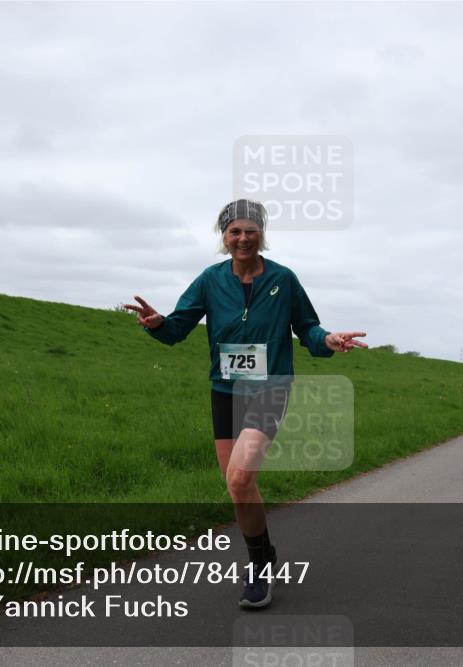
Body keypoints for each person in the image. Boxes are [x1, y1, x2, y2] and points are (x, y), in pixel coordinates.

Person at [125, 199, 367, 609]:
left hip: (270, 389)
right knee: (240, 489)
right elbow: (178, 328)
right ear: (224, 236)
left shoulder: (284, 279)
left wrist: (327, 340)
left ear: (262, 234)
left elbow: (307, 327)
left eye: (250, 230)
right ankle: (264, 556)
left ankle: (257, 570)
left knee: (239, 478)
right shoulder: (210, 280)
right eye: (234, 231)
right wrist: (158, 324)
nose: (242, 238)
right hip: (225, 392)